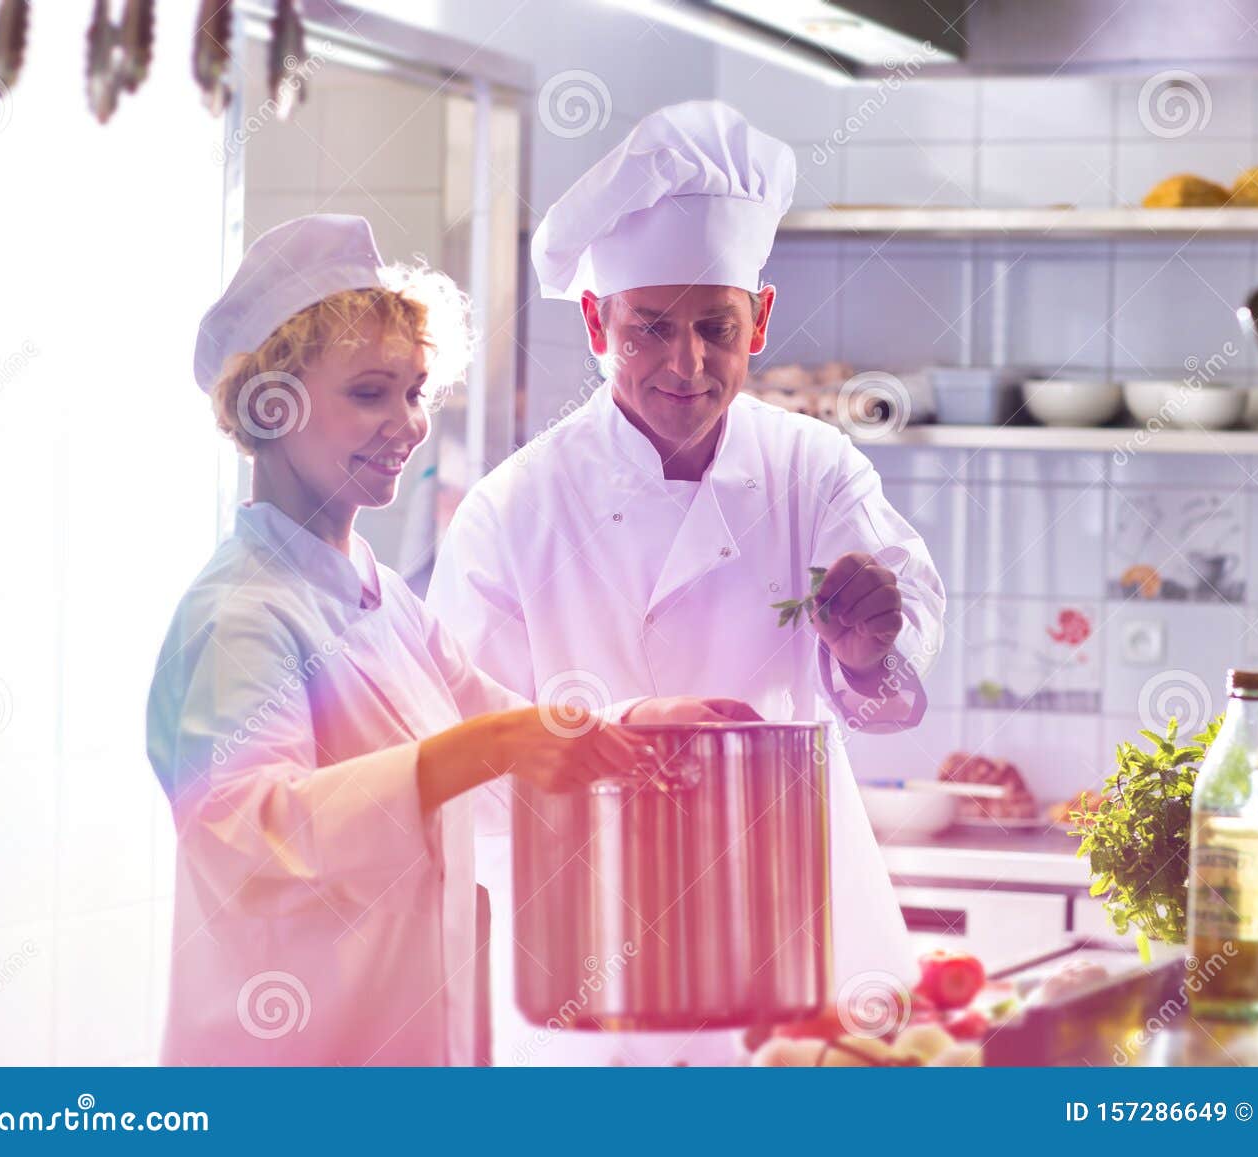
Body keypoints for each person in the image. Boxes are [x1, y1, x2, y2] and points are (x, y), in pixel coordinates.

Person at [426, 101, 947, 1066]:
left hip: (797, 925)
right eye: (649, 328)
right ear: (595, 319)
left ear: (763, 318)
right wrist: (619, 732)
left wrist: (873, 651)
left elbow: (893, 672)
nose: (687, 362)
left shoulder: (815, 469)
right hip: (590, 947)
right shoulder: (512, 511)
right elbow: (465, 760)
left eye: (717, 326)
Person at [147, 214, 709, 1065]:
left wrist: (641, 723)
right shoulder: (241, 614)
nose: (408, 424)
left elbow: (514, 731)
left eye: (414, 391)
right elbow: (245, 837)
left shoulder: (379, 597)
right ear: (267, 405)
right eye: (369, 392)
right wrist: (486, 745)